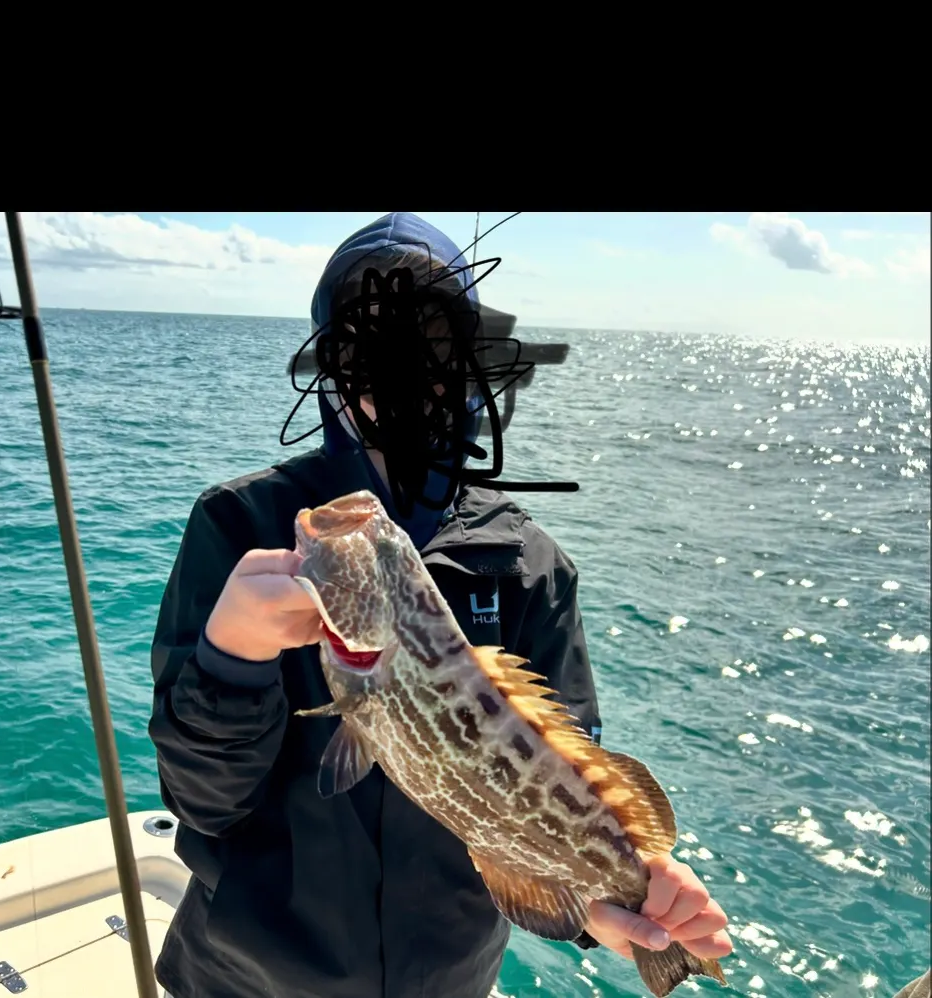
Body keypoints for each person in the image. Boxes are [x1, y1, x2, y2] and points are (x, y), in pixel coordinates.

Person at [148, 213, 731, 998]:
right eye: (364, 347)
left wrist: (610, 904)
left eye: (429, 341)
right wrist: (231, 656)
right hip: (244, 980)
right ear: (329, 362)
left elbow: (562, 774)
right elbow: (201, 803)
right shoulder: (237, 528)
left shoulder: (531, 567)